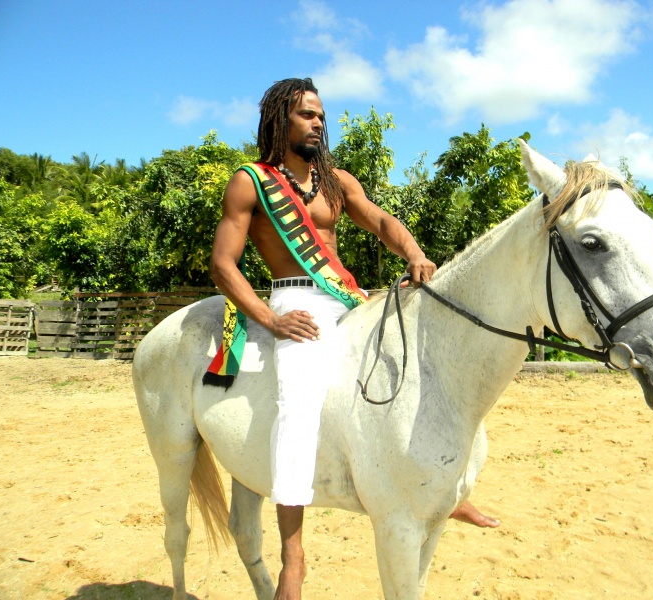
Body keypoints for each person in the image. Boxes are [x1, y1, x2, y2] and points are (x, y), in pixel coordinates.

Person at [210, 77, 497, 599]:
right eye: (306, 115)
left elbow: (383, 221)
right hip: (295, 301)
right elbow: (222, 265)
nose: (318, 122)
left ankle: (446, 489)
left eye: (321, 114)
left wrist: (413, 253)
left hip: (347, 297)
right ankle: (292, 560)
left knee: (422, 370)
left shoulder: (336, 180)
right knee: (297, 406)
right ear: (281, 121)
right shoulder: (250, 183)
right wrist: (272, 321)